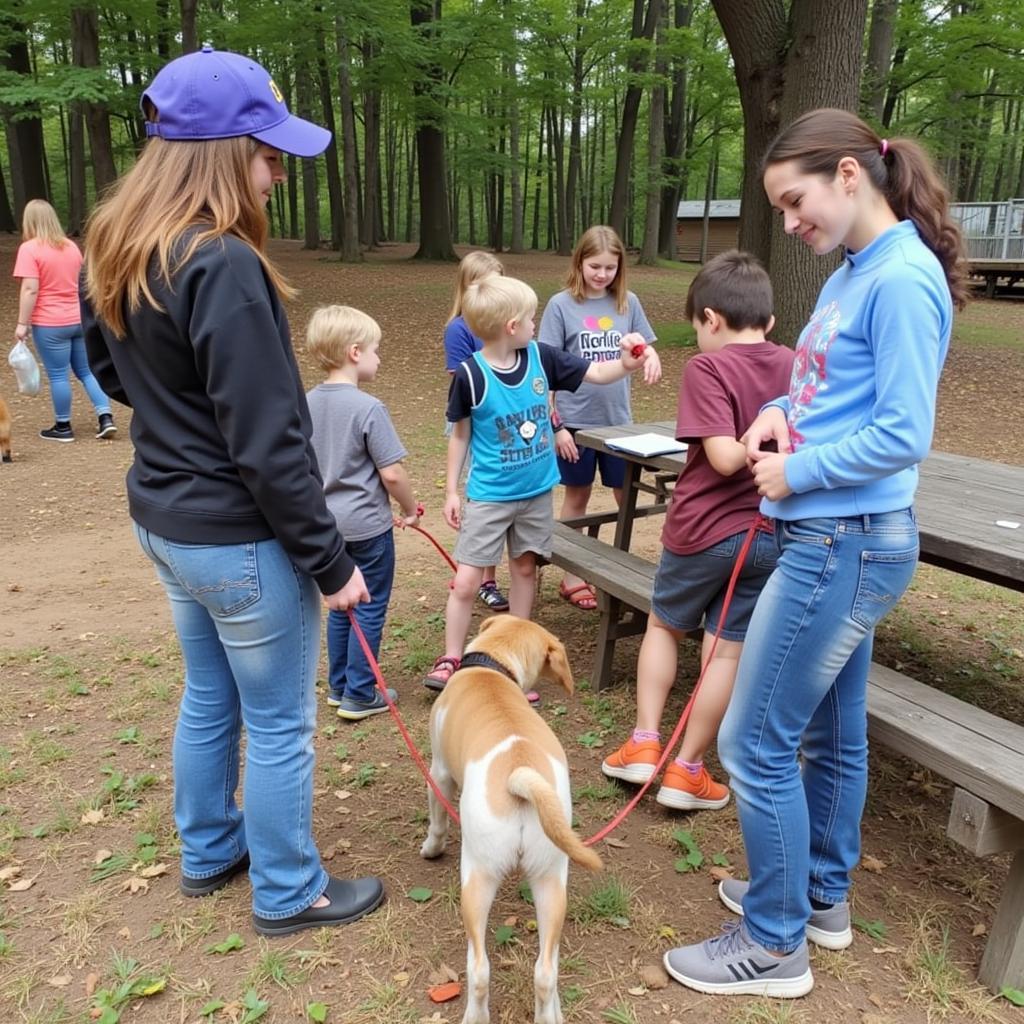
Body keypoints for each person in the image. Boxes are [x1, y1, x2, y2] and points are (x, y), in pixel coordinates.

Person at [81, 46, 385, 937]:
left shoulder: (121, 243)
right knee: (282, 721)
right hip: (238, 539)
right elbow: (268, 446)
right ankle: (290, 891)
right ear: (219, 155)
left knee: (210, 695)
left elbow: (113, 374)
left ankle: (210, 849)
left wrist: (178, 417)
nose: (278, 170)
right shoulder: (223, 263)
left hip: (167, 525)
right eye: (265, 151)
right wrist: (332, 566)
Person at [663, 109, 966, 998]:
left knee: (755, 742)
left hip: (846, 540)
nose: (790, 224)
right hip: (832, 534)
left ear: (847, 174)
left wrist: (797, 472)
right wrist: (778, 416)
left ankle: (771, 943)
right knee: (832, 732)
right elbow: (828, 388)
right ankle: (818, 898)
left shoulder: (904, 278)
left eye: (795, 203)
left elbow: (905, 432)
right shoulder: (847, 275)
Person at [601, 251, 794, 812]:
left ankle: (644, 743)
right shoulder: (792, 363)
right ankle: (688, 770)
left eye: (695, 327)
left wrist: (752, 435)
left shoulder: (707, 368)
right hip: (766, 537)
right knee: (726, 652)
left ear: (710, 318)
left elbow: (725, 458)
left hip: (702, 529)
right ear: (770, 321)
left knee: (664, 626)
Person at [422, 273, 654, 691]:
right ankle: (451, 657)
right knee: (466, 582)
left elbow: (597, 374)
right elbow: (460, 435)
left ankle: (516, 659)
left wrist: (627, 363)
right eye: (531, 318)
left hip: (535, 496)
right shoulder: (470, 377)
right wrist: (453, 491)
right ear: (512, 327)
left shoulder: (542, 358)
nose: (536, 324)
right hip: (489, 498)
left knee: (525, 569)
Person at [305, 305, 419, 720]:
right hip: (367, 529)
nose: (379, 357)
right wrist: (410, 509)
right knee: (369, 605)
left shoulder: (305, 403)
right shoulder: (368, 408)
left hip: (325, 529)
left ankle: (339, 685)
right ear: (354, 352)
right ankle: (360, 691)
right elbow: (391, 473)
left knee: (341, 601)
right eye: (375, 349)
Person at [538, 225, 661, 610]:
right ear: (580, 262)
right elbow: (545, 372)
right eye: (595, 266)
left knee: (627, 493)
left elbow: (643, 346)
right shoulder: (561, 305)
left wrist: (651, 356)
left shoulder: (628, 302)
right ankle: (572, 576)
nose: (602, 274)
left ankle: (620, 570)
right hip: (574, 423)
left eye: (610, 267)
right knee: (579, 494)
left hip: (618, 422)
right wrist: (556, 426)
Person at [12, 199, 115, 442]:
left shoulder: (29, 249)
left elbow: (30, 289)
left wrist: (22, 323)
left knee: (58, 374)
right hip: (77, 319)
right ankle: (106, 417)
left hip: (50, 322)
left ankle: (63, 426)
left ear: (29, 220)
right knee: (87, 371)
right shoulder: (70, 246)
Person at [444, 251, 510, 613]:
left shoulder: (506, 324)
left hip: (503, 421)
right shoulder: (458, 328)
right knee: (481, 498)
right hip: (473, 420)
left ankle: (487, 576)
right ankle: (482, 578)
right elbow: (464, 386)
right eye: (481, 283)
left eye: (496, 281)